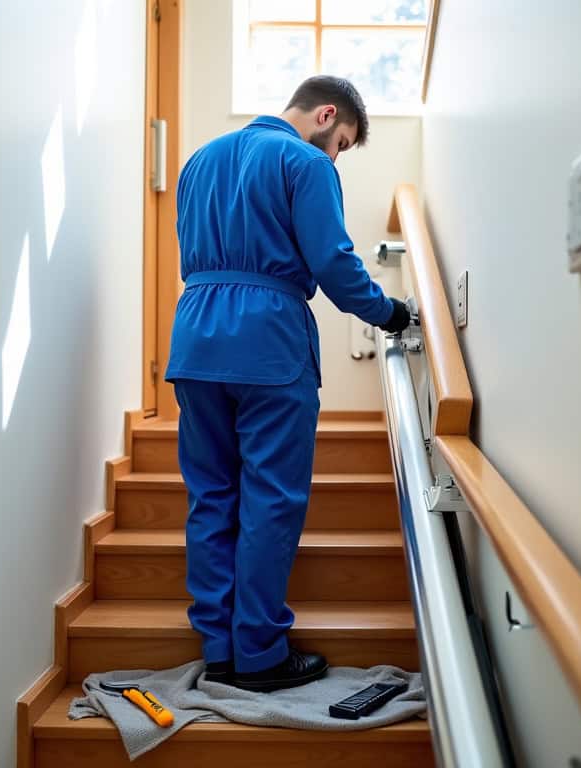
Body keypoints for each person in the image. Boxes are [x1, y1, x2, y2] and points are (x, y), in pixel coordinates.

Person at [164, 76, 411, 692]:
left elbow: (191, 251)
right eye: (342, 142)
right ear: (326, 114)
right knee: (271, 498)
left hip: (195, 336)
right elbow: (333, 262)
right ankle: (260, 655)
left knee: (212, 495)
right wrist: (393, 313)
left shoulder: (198, 161)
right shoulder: (304, 162)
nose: (336, 156)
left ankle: (218, 648)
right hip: (269, 340)